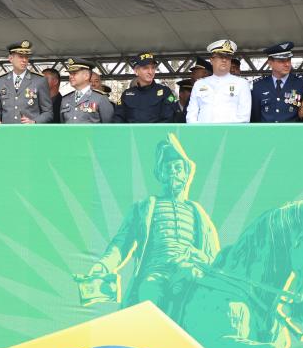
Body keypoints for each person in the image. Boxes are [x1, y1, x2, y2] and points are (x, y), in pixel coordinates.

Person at [80, 134, 219, 316]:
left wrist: (201, 257)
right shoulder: (144, 207)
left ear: (186, 174)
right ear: (160, 174)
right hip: (156, 273)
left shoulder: (197, 212)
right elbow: (121, 244)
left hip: (191, 272)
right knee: (150, 294)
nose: (173, 172)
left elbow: (215, 258)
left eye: (178, 167)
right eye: (168, 168)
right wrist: (103, 266)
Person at [187, 40, 251, 123]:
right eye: (220, 56)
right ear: (211, 60)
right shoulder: (199, 84)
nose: (224, 60)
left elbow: (244, 117)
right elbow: (191, 115)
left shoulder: (242, 84)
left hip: (231, 131)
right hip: (204, 131)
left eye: (228, 57)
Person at [0, 41, 52, 124]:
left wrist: (34, 122)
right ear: (10, 58)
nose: (24, 60)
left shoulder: (39, 80)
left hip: (30, 131)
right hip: (7, 131)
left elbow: (48, 112)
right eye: (20, 56)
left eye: (26, 57)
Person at [250, 42, 303, 123]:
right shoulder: (258, 86)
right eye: (281, 61)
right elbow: (255, 117)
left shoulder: (302, 84)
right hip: (266, 131)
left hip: (292, 131)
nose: (287, 64)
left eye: (289, 60)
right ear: (270, 63)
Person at [113, 52, 179, 123]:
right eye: (145, 68)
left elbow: (169, 119)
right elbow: (118, 119)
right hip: (131, 131)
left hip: (157, 131)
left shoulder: (165, 92)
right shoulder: (127, 94)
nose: (150, 72)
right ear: (136, 71)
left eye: (153, 68)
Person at [60, 58, 114, 124]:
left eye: (74, 73)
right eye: (70, 74)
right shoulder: (65, 99)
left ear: (86, 76)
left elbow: (108, 125)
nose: (71, 76)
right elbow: (62, 125)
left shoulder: (100, 98)